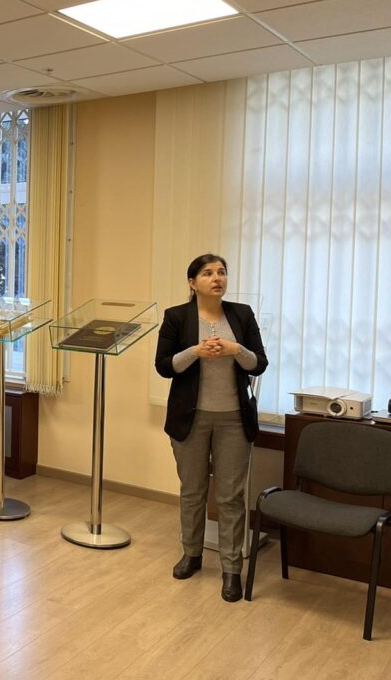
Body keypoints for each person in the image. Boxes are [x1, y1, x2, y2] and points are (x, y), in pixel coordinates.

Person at [155, 253, 268, 604]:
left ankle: (231, 570)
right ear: (192, 283)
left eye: (221, 272)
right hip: (190, 418)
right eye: (207, 273)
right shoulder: (177, 317)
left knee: (230, 497)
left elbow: (259, 364)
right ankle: (192, 554)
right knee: (192, 490)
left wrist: (236, 349)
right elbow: (164, 366)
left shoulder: (242, 315)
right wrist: (195, 352)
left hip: (234, 418)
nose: (217, 278)